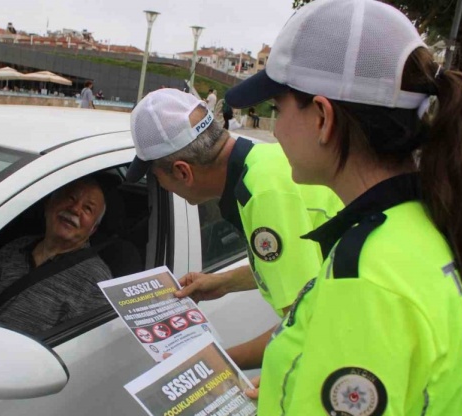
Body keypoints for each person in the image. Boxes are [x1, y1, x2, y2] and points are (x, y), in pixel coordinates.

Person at [225, 0, 462, 416]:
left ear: (322, 117)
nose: (277, 128)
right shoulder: (421, 224)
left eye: (278, 109)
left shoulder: (365, 275)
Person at [125, 88, 342, 370]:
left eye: (156, 179)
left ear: (182, 172)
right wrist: (223, 283)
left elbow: (307, 330)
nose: (162, 187)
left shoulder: (261, 196)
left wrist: (211, 363)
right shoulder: (263, 164)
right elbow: (296, 264)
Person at [0, 177, 112, 336]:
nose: (75, 209)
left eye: (87, 209)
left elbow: (92, 344)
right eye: (70, 198)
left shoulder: (96, 279)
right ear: (49, 204)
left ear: (93, 229)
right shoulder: (18, 247)